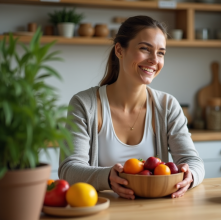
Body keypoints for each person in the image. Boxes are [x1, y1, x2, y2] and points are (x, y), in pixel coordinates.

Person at [58, 15, 205, 199]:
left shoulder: (167, 106)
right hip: (103, 211)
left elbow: (193, 162)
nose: (154, 60)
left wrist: (190, 177)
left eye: (160, 53)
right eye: (145, 49)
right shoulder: (84, 104)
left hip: (156, 211)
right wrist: (108, 178)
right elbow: (68, 169)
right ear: (119, 50)